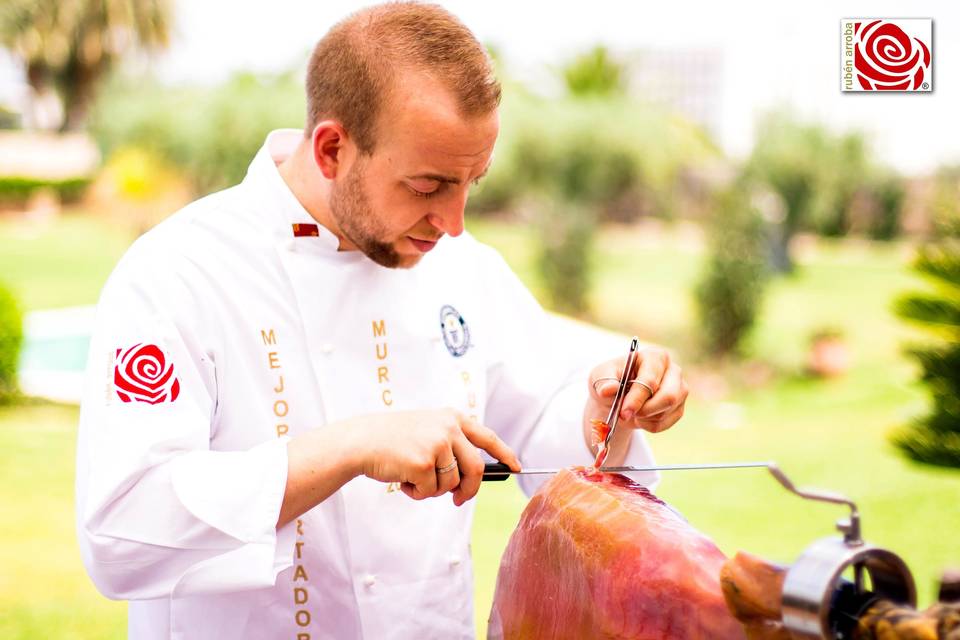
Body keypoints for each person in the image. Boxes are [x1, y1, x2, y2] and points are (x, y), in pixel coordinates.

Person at [76, 3, 689, 639]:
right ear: (332, 148)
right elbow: (122, 531)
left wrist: (609, 405)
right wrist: (352, 446)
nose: (453, 222)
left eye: (471, 183)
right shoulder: (179, 273)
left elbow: (547, 433)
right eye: (427, 187)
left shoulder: (465, 269)